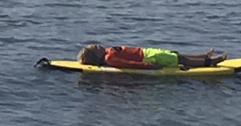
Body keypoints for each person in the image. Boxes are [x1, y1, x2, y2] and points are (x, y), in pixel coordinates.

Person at [77, 44, 227, 70]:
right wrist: (149, 66)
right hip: (147, 59)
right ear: (95, 57)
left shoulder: (109, 52)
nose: (99, 46)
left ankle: (202, 56)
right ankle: (212, 62)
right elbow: (129, 64)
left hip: (147, 52)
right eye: (95, 49)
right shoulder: (109, 58)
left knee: (174, 54)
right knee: (180, 60)